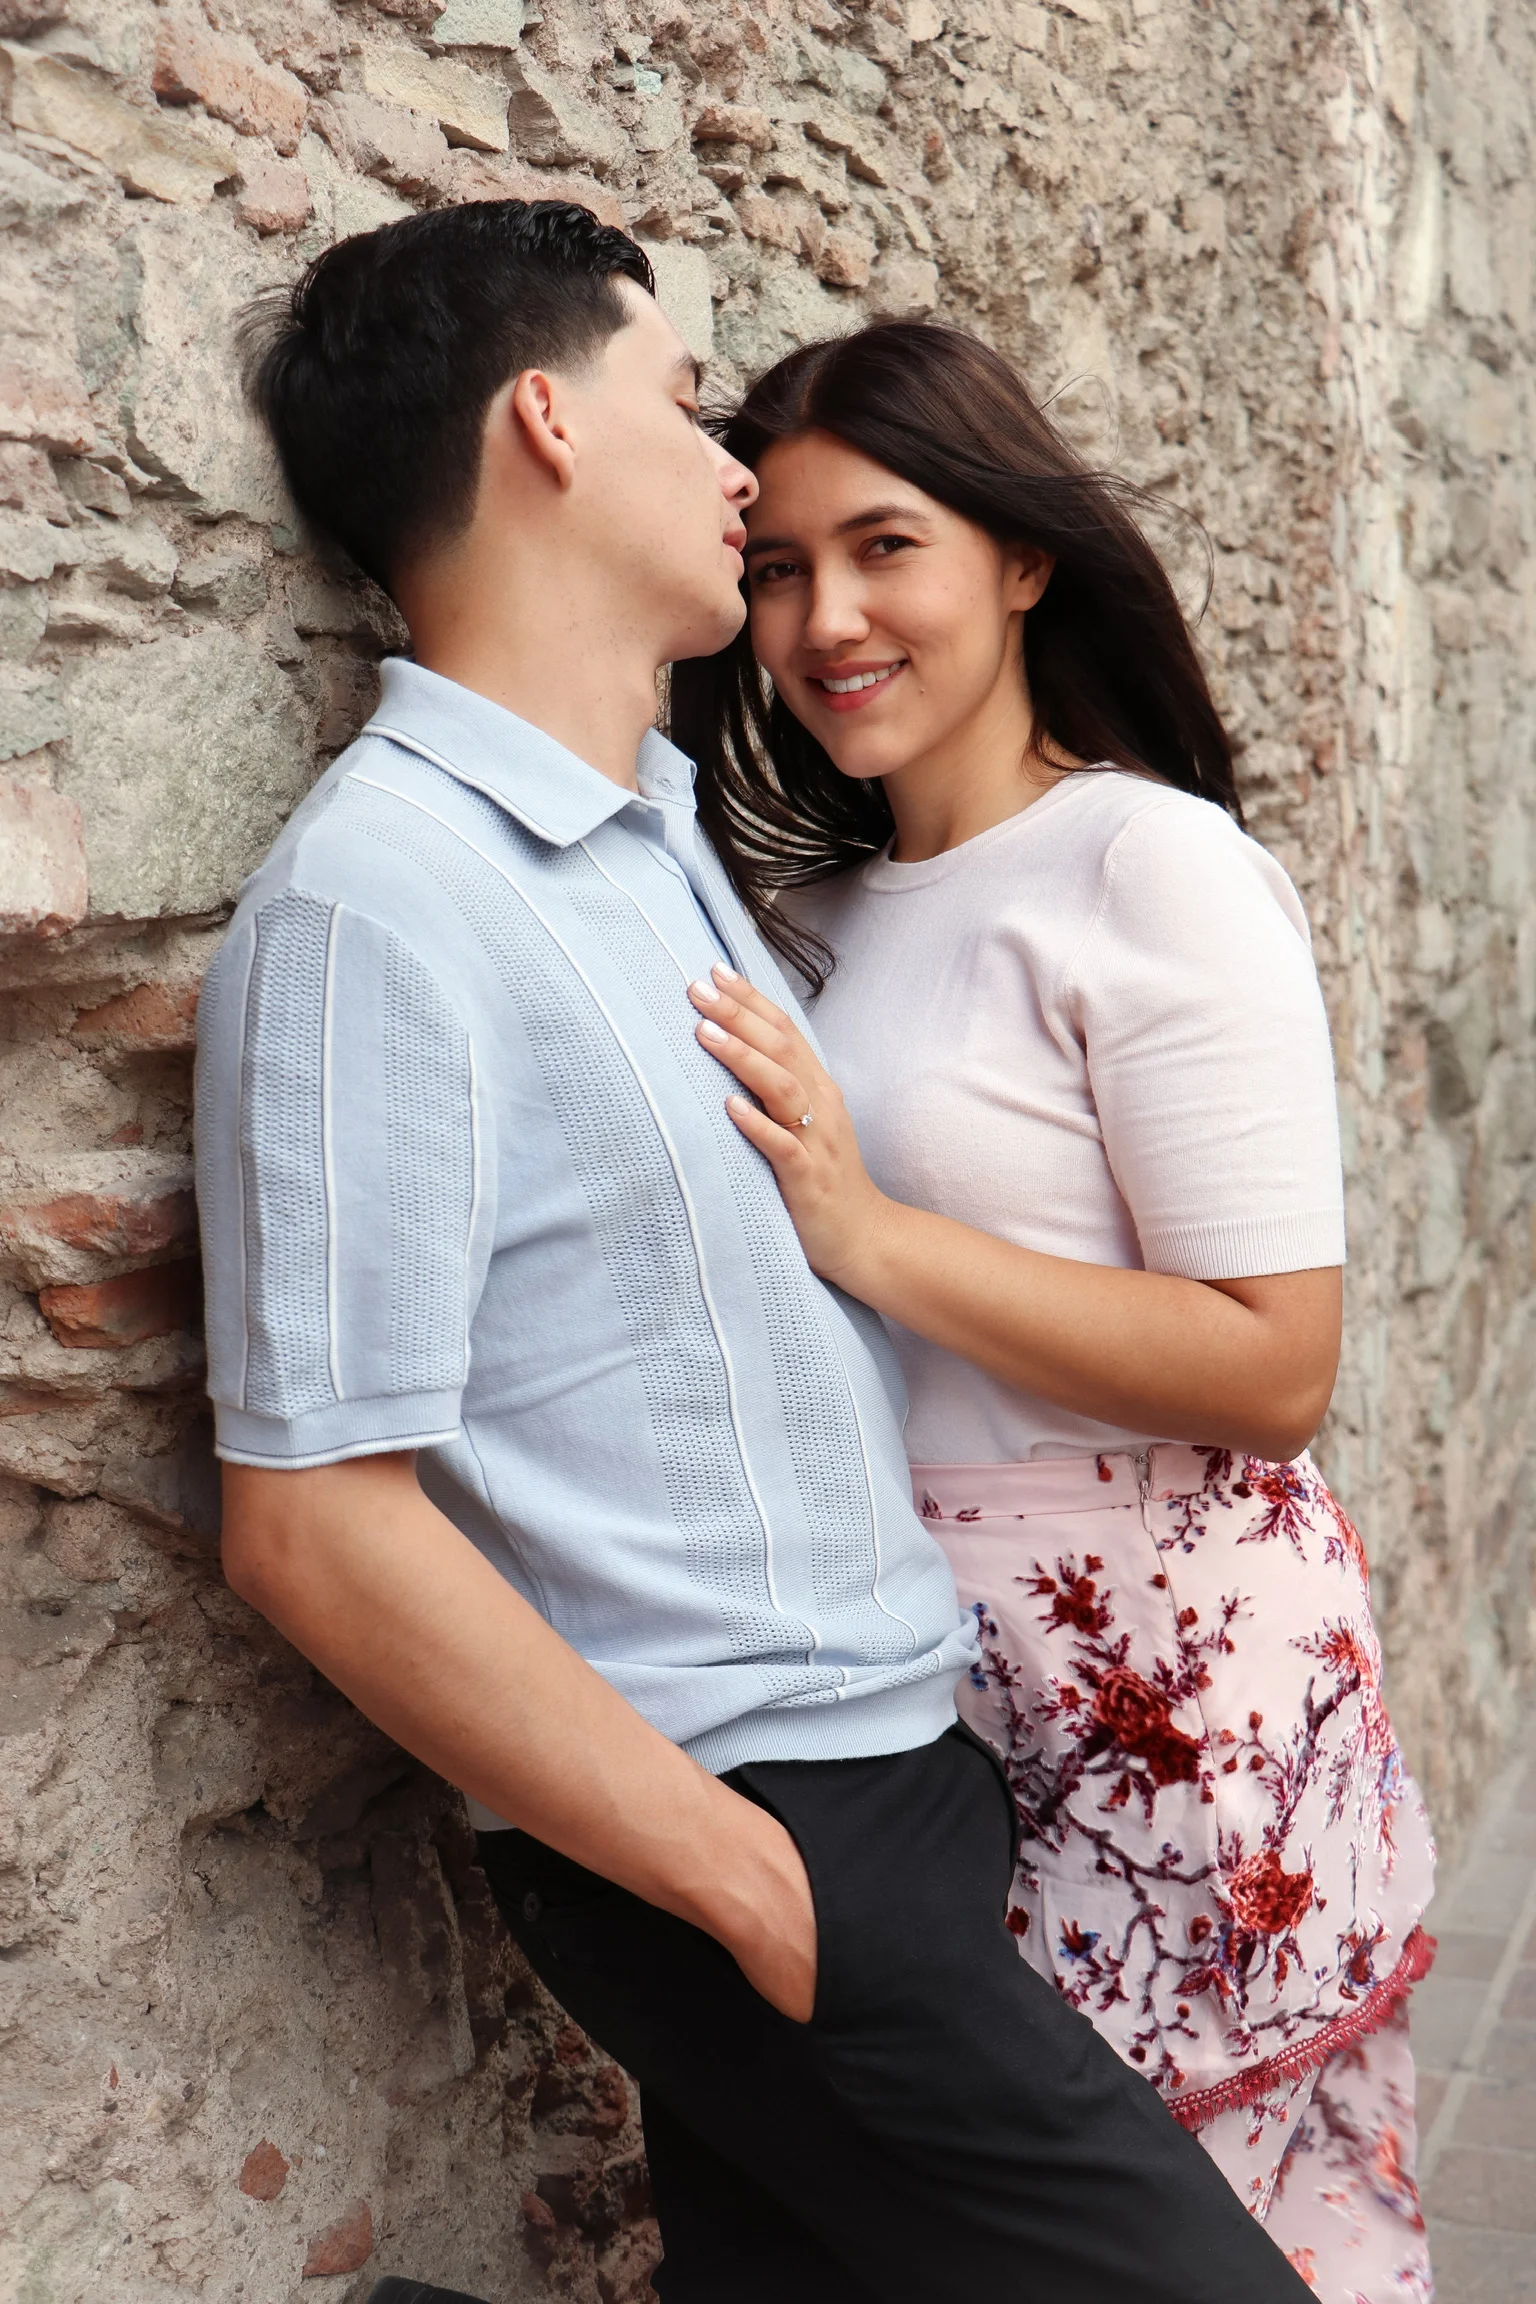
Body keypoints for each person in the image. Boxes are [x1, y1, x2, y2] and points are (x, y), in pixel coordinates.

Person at [199, 201, 1316, 2304]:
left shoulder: (657, 839)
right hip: (752, 1826)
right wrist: (748, 1882)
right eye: (685, 400)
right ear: (545, 421)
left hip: (896, 1780)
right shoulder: (380, 907)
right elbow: (314, 1527)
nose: (737, 474)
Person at [671, 319, 1436, 2302]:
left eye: (885, 546)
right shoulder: (805, 917)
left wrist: (867, 1224)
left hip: (1174, 1706)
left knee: (1197, 2254)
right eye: (776, 566)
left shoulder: (1147, 867)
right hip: (916, 1715)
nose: (824, 615)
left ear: (1020, 558)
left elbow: (1277, 1360)